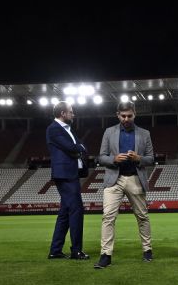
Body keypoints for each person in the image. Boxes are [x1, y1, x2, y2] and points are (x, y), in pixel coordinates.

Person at [94, 101, 154, 269]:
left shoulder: (144, 134)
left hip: (135, 177)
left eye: (129, 116)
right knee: (108, 217)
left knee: (142, 216)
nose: (126, 119)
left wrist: (138, 158)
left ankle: (147, 250)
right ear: (118, 115)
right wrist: (113, 159)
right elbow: (101, 157)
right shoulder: (109, 132)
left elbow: (151, 158)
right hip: (114, 179)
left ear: (135, 114)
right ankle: (106, 254)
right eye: (123, 116)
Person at [46, 101, 89, 260]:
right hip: (65, 175)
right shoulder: (53, 129)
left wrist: (80, 147)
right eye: (71, 112)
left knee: (64, 213)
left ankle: (55, 250)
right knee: (76, 210)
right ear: (63, 113)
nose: (73, 114)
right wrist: (80, 147)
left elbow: (80, 146)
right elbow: (73, 147)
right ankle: (76, 250)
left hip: (71, 173)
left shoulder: (68, 129)